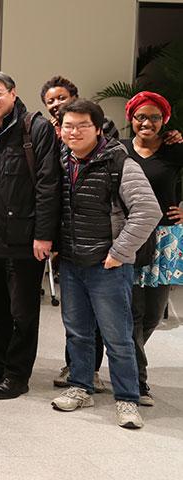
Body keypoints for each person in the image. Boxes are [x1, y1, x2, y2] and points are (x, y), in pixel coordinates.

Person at [50, 98, 160, 429]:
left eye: (82, 125)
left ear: (98, 128)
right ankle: (81, 386)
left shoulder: (120, 163)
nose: (74, 132)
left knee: (118, 337)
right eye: (68, 126)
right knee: (78, 333)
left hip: (108, 267)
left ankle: (127, 398)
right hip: (72, 263)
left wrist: (119, 252)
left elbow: (148, 211)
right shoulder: (63, 160)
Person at [0, 71, 59, 400]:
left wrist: (44, 234)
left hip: (24, 236)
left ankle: (17, 375)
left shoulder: (34, 128)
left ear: (12, 93)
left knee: (22, 311)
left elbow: (48, 184)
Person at [124, 91, 183, 407]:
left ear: (165, 120)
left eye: (155, 117)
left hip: (165, 239)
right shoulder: (120, 151)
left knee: (152, 314)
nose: (147, 122)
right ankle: (137, 382)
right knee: (133, 312)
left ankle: (128, 361)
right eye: (140, 116)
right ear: (131, 118)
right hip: (132, 236)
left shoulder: (175, 150)